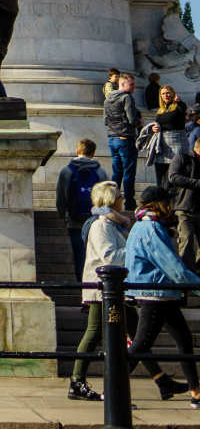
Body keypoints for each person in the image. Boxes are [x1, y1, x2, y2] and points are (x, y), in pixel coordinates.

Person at [123, 187, 200, 408]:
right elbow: (172, 266)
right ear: (158, 204)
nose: (172, 207)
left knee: (184, 341)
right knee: (139, 346)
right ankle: (114, 390)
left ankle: (195, 391)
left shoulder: (144, 226)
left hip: (162, 293)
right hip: (154, 294)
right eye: (168, 202)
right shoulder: (151, 228)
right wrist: (196, 285)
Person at [66, 181, 135, 401]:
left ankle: (157, 379)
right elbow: (109, 256)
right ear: (111, 200)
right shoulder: (102, 225)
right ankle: (80, 381)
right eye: (120, 196)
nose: (123, 200)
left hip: (111, 289)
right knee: (96, 332)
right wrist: (135, 250)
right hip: (101, 288)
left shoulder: (113, 225)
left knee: (133, 331)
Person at [54, 138, 106, 277]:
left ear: (77, 152)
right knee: (95, 252)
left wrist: (62, 214)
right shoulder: (100, 172)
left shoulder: (66, 171)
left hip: (74, 219)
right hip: (95, 219)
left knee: (78, 254)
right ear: (93, 153)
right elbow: (106, 198)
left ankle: (80, 283)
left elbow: (61, 196)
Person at [162, 131, 200, 266]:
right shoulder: (183, 157)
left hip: (197, 208)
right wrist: (196, 183)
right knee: (187, 239)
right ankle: (186, 276)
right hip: (184, 207)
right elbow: (173, 176)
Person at [105, 72, 142, 209]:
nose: (134, 87)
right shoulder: (127, 97)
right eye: (131, 84)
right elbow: (132, 120)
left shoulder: (107, 99)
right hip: (125, 138)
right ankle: (129, 203)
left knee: (117, 172)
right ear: (122, 84)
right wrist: (139, 122)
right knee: (128, 172)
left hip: (112, 138)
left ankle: (112, 201)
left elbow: (105, 120)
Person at [149, 85, 187, 189]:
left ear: (173, 93)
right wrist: (154, 128)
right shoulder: (160, 110)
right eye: (163, 93)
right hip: (163, 146)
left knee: (175, 175)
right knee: (162, 177)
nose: (166, 95)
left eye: (168, 92)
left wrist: (178, 101)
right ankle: (162, 201)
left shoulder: (179, 106)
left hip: (176, 145)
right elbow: (160, 122)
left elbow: (177, 113)